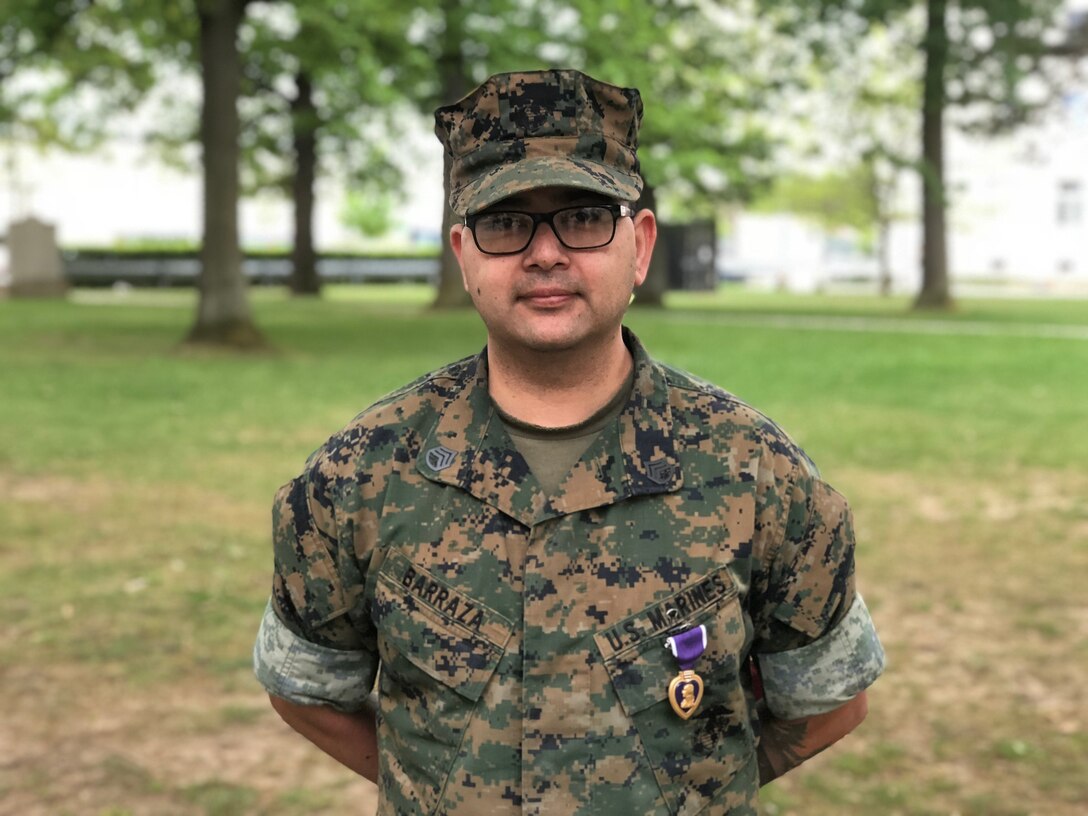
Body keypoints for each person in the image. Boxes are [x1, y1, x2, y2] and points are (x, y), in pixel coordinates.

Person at [254, 68, 885, 816]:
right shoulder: (355, 474)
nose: (546, 254)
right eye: (505, 220)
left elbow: (828, 701)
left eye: (584, 218)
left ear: (640, 245)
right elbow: (306, 690)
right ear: (463, 254)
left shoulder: (759, 473)